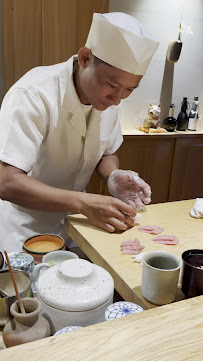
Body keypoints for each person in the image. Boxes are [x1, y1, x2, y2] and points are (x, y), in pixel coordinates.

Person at [0, 12, 159, 252]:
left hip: (79, 226)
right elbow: (7, 182)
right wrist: (84, 202)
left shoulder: (111, 101)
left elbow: (106, 152)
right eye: (112, 85)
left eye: (129, 89)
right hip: (26, 229)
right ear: (85, 58)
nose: (117, 99)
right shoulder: (33, 93)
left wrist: (113, 175)